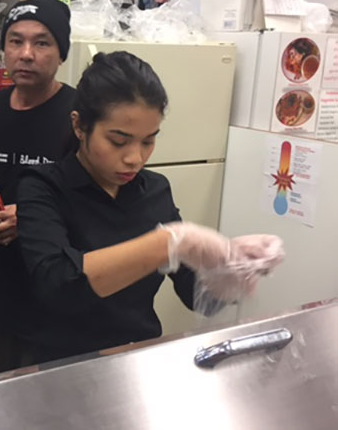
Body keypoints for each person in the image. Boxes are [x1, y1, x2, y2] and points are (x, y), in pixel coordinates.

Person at [16, 51, 283, 363]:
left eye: (147, 141)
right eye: (118, 141)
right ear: (79, 126)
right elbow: (60, 284)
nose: (134, 158)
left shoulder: (154, 190)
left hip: (137, 359)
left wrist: (233, 266)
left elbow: (197, 297)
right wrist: (168, 243)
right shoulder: (42, 187)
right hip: (61, 366)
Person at [0, 0, 77, 378]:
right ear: (3, 49)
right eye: (15, 41)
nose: (26, 54)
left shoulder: (78, 116)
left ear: (61, 53)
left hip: (55, 299)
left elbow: (91, 198)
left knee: (42, 409)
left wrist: (30, 217)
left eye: (42, 43)